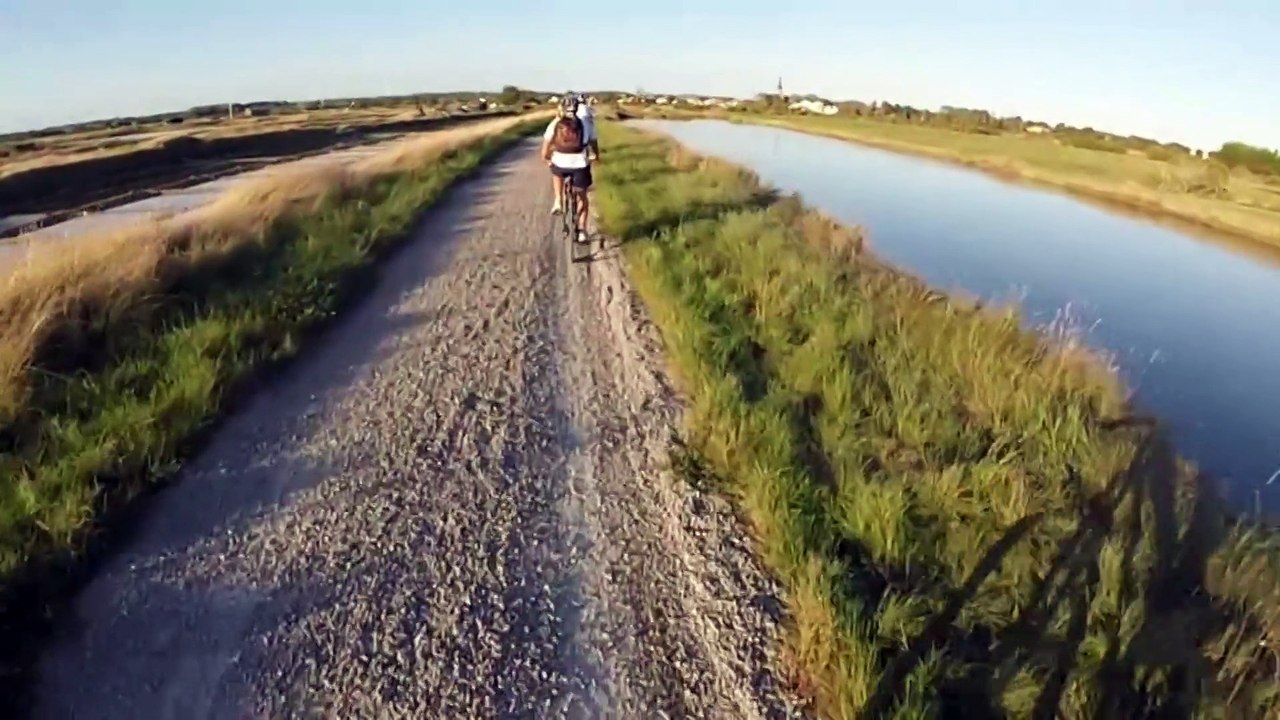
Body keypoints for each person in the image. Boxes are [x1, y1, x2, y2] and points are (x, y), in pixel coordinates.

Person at [542, 94, 599, 243]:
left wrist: (546, 159)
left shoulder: (555, 123)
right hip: (580, 164)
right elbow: (592, 142)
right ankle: (581, 230)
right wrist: (596, 156)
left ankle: (558, 200)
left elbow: (546, 146)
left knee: (556, 171)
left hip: (560, 162)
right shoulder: (585, 123)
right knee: (583, 197)